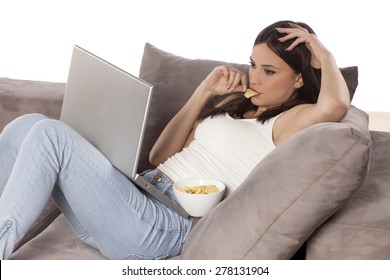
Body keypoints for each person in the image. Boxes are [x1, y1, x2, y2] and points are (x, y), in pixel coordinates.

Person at [0, 20, 350, 260]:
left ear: (300, 80)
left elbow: (334, 105)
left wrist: (325, 55)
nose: (254, 76)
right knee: (26, 124)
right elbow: (159, 155)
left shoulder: (289, 121)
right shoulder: (232, 104)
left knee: (52, 134)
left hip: (163, 225)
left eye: (269, 71)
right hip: (136, 199)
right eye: (253, 64)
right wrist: (203, 93)